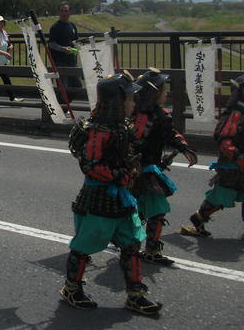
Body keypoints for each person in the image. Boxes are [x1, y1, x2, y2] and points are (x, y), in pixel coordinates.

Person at [63, 72, 162, 315]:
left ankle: (135, 294)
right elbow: (91, 165)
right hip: (98, 199)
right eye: (129, 99)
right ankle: (71, 289)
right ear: (117, 101)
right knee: (84, 246)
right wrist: (119, 175)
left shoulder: (121, 126)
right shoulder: (99, 131)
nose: (133, 103)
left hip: (121, 198)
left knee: (131, 244)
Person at [130, 68, 197, 265]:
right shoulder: (140, 115)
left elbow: (171, 133)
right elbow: (134, 142)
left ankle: (132, 242)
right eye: (162, 90)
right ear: (153, 93)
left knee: (141, 208)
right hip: (142, 169)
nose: (166, 93)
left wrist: (183, 147)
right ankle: (149, 249)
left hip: (146, 168)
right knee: (156, 208)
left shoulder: (157, 114)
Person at [181, 74, 244, 238]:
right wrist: (237, 157)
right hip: (233, 165)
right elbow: (224, 139)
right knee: (222, 195)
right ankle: (199, 218)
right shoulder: (235, 113)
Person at [48, 2, 81, 89]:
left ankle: (67, 102)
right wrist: (63, 49)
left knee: (77, 85)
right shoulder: (55, 27)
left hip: (72, 61)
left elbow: (76, 41)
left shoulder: (72, 26)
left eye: (66, 11)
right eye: (62, 11)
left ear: (70, 12)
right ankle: (62, 102)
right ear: (59, 12)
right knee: (63, 87)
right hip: (59, 62)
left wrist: (77, 47)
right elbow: (51, 44)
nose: (64, 13)